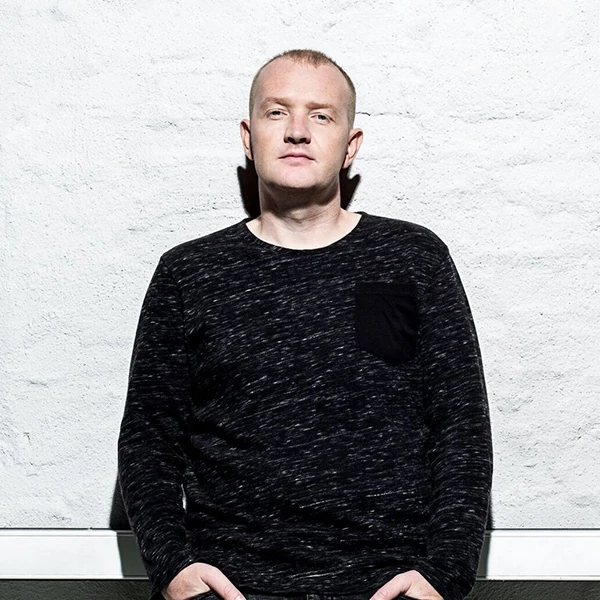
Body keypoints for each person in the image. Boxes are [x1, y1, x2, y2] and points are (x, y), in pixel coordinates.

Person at [117, 49, 493, 600]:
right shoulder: (190, 272)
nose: (297, 130)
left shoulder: (410, 259)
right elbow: (148, 437)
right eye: (277, 112)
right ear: (248, 138)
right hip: (230, 588)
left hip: (388, 586)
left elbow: (459, 426)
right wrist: (173, 570)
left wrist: (443, 577)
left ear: (350, 145)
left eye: (321, 114)